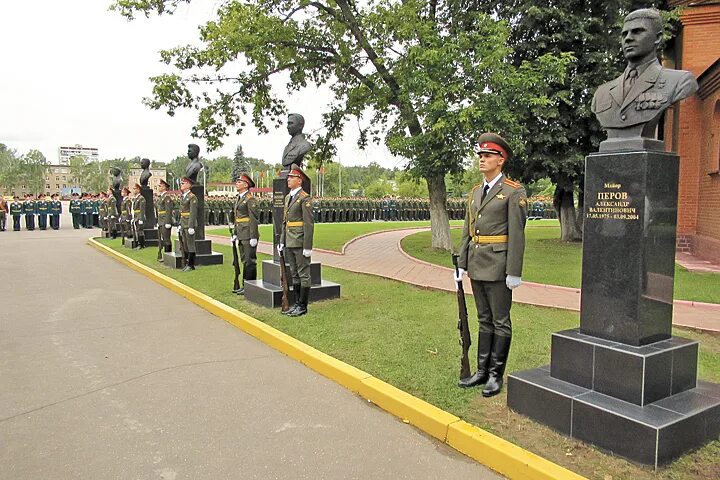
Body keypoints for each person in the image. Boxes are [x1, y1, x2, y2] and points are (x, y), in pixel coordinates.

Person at [455, 133, 527, 397]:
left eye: (487, 156)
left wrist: (514, 271)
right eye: (480, 155)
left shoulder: (512, 191)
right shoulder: (475, 192)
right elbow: (467, 230)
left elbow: (517, 234)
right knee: (483, 319)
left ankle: (496, 376)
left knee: (500, 321)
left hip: (498, 264)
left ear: (500, 159)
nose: (482, 159)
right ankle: (482, 372)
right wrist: (462, 264)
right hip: (476, 262)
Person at [591, 8, 698, 145]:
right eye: (624, 34)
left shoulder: (680, 82)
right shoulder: (602, 93)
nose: (628, 38)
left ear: (657, 38)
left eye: (637, 32)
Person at [277, 164, 314, 317]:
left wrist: (307, 246)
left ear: (300, 180)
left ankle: (303, 306)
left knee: (303, 273)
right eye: (289, 177)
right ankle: (297, 303)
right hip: (289, 241)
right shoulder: (288, 197)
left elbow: (309, 224)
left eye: (292, 177)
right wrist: (282, 241)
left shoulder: (305, 198)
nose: (288, 179)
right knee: (294, 273)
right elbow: (285, 222)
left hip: (299, 241)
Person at [231, 172, 259, 294]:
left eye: (240, 182)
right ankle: (244, 285)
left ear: (246, 185)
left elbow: (253, 219)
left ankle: (250, 285)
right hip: (241, 233)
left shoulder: (250, 199)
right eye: (237, 181)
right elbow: (237, 218)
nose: (237, 183)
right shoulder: (239, 198)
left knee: (249, 261)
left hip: (248, 234)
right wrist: (235, 233)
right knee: (244, 259)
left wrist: (253, 236)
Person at [179, 177, 198, 271]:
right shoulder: (183, 196)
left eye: (183, 183)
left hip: (188, 223)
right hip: (183, 223)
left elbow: (193, 212)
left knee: (190, 245)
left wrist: (191, 226)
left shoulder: (192, 197)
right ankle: (187, 263)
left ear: (188, 185)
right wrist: (180, 223)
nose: (181, 185)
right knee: (185, 244)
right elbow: (182, 212)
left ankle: (191, 265)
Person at [156, 179, 174, 258]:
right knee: (162, 238)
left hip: (165, 220)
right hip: (161, 220)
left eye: (160, 186)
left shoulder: (167, 197)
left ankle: (168, 256)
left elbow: (168, 210)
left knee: (166, 239)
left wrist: (168, 222)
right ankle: (165, 255)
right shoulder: (162, 197)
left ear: (164, 187)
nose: (158, 187)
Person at [131, 183, 146, 248]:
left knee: (140, 231)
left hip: (139, 216)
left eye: (135, 189)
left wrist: (141, 219)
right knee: (137, 230)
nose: (133, 190)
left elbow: (142, 209)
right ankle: (137, 243)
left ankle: (141, 244)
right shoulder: (136, 198)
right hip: (136, 216)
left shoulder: (141, 198)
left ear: (138, 190)